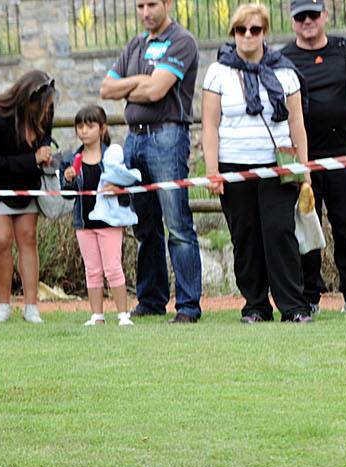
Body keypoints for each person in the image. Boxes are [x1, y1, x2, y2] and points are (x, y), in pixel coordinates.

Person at [203, 3, 312, 324]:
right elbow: (209, 125)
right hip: (234, 166)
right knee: (245, 236)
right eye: (241, 30)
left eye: (254, 30)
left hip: (278, 166)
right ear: (233, 33)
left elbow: (297, 125)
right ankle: (255, 306)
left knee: (280, 232)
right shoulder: (218, 72)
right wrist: (212, 172)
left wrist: (304, 171)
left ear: (265, 33)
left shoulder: (285, 71)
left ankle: (293, 306)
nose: (247, 36)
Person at [100, 0, 202, 324]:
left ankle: (187, 306)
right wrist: (137, 85)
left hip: (167, 137)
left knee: (178, 224)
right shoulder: (135, 44)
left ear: (168, 4)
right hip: (134, 139)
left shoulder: (181, 41)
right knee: (144, 225)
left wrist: (127, 86)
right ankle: (151, 299)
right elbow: (105, 88)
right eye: (140, 5)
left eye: (152, 4)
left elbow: (158, 91)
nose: (146, 12)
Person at [281, 0, 346, 317]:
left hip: (343, 157)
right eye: (300, 17)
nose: (306, 21)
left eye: (312, 14)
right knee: (307, 230)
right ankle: (309, 298)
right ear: (293, 21)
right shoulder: (283, 58)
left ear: (324, 15)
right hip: (304, 161)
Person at [0, 70, 56, 324]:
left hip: (25, 184)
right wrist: (32, 159)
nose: (47, 112)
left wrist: (45, 155)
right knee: (2, 239)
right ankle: (3, 304)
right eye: (43, 107)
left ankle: (31, 306)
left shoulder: (44, 113)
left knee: (28, 238)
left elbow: (44, 142)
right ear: (28, 100)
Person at [64, 105, 134, 326]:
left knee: (113, 267)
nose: (84, 131)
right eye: (80, 126)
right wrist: (68, 179)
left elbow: (128, 187)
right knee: (92, 270)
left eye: (90, 125)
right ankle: (97, 315)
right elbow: (67, 195)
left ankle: (123, 314)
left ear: (102, 128)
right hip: (83, 223)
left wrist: (118, 188)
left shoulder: (112, 157)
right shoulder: (74, 158)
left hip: (109, 222)